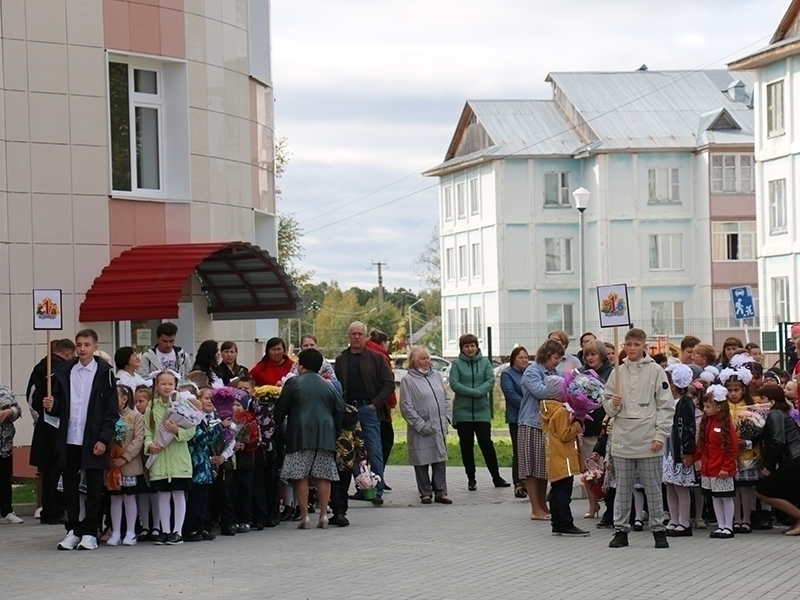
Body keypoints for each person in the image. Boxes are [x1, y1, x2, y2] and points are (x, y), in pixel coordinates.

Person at [43, 329, 119, 551]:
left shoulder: (104, 374)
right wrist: (52, 405)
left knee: (94, 486)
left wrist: (104, 438)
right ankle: (73, 529)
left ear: (95, 346)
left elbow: (111, 411)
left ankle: (90, 531)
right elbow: (59, 404)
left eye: (87, 344)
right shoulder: (66, 371)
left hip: (93, 438)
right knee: (69, 486)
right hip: (69, 437)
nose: (82, 348)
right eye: (79, 344)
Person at [604, 328, 673, 549]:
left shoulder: (656, 372)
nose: (631, 348)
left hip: (648, 437)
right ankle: (621, 530)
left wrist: (661, 435)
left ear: (644, 346)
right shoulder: (617, 372)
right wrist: (612, 405)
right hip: (623, 436)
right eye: (628, 344)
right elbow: (606, 405)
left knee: (653, 487)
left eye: (635, 344)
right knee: (623, 488)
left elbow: (666, 406)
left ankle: (658, 530)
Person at [274, 349, 345, 529]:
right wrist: (334, 430)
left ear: (301, 365)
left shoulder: (293, 382)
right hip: (325, 434)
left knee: (301, 475)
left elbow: (281, 409)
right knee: (323, 476)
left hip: (299, 434)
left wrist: (276, 424)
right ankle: (323, 516)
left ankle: (305, 516)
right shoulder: (328, 385)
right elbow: (340, 409)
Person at [334, 322, 395, 505]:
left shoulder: (376, 358)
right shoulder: (341, 359)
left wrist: (375, 404)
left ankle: (377, 488)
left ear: (365, 336)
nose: (357, 337)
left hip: (368, 409)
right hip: (348, 411)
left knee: (374, 450)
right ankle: (363, 487)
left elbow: (389, 383)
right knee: (352, 452)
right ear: (348, 336)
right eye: (353, 333)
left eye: (360, 334)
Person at [449, 333, 508, 491]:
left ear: (477, 346)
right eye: (466, 346)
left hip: (482, 411)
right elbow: (454, 383)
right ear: (462, 348)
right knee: (466, 446)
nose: (470, 349)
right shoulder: (456, 364)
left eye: (472, 346)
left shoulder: (485, 363)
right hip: (463, 413)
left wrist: (478, 391)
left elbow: (490, 380)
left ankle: (496, 477)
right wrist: (473, 391)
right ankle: (471, 479)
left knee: (486, 443)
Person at [144, 370, 197, 545]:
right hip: (159, 459)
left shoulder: (182, 403)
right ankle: (164, 530)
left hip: (178, 458)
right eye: (163, 384)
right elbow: (148, 432)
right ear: (156, 386)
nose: (167, 387)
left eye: (170, 384)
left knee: (178, 493)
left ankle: (177, 531)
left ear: (175, 385)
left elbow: (191, 430)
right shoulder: (151, 407)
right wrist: (150, 445)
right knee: (163, 495)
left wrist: (177, 431)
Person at [27, 337, 75, 525]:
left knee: (47, 470)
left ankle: (48, 508)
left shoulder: (41, 367)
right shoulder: (60, 370)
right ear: (67, 353)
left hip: (43, 424)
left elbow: (30, 395)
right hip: (56, 424)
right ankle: (54, 509)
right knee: (57, 468)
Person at [400, 346, 451, 505]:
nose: (427, 361)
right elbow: (406, 406)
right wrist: (421, 425)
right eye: (423, 358)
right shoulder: (408, 380)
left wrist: (447, 417)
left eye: (428, 358)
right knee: (421, 460)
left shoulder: (436, 375)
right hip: (421, 429)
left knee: (439, 459)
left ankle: (441, 492)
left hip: (438, 425)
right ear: (414, 362)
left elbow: (446, 398)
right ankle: (425, 493)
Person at [521, 340, 564, 520]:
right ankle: (535, 508)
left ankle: (543, 506)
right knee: (532, 467)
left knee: (544, 468)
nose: (557, 362)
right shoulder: (532, 371)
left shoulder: (554, 372)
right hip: (532, 423)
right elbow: (541, 392)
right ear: (546, 355)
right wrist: (563, 389)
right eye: (555, 357)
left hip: (548, 425)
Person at [540, 386, 590, 537]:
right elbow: (564, 435)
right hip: (564, 458)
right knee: (563, 493)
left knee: (556, 492)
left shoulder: (548, 410)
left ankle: (557, 524)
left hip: (555, 457)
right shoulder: (561, 411)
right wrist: (578, 423)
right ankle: (567, 524)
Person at [755, 384, 800, 536]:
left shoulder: (774, 414)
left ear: (772, 402)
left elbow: (778, 441)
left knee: (763, 490)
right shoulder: (781, 413)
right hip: (794, 458)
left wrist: (768, 466)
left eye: (762, 398)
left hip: (795, 458)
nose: (758, 402)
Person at [696, 384, 739, 539]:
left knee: (726, 497)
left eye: (708, 406)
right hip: (709, 468)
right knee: (715, 497)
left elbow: (732, 448)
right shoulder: (707, 423)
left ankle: (728, 526)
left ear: (719, 407)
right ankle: (721, 525)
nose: (705, 409)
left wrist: (726, 467)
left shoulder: (725, 424)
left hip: (721, 468)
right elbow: (702, 445)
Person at [721, 364, 758, 533]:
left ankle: (747, 519)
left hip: (746, 453)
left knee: (745, 488)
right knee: (733, 488)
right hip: (728, 453)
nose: (733, 393)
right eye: (730, 390)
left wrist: (747, 442)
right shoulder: (723, 407)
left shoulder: (751, 407)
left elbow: (758, 430)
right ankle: (735, 519)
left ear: (744, 389)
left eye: (737, 390)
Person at [106, 384, 144, 546]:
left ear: (124, 399)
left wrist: (125, 456)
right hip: (112, 464)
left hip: (129, 464)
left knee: (129, 497)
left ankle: (130, 531)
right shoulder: (108, 416)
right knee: (115, 498)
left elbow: (138, 439)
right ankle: (115, 531)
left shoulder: (136, 417)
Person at [662, 364, 697, 537]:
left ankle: (684, 522)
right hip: (667, 448)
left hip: (679, 449)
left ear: (673, 385)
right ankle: (673, 519)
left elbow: (689, 428)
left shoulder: (685, 403)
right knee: (670, 485)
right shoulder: (666, 402)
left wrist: (688, 450)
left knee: (681, 487)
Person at [183, 387, 222, 541]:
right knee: (195, 500)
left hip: (205, 467)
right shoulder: (192, 423)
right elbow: (202, 439)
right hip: (196, 466)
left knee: (204, 500)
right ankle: (189, 528)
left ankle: (201, 526)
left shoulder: (203, 421)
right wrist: (220, 426)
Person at [580, 340, 612, 519]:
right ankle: (593, 505)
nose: (590, 358)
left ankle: (608, 504)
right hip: (588, 426)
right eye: (587, 355)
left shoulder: (612, 372)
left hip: (605, 425)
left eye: (594, 354)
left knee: (606, 469)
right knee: (589, 469)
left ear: (602, 354)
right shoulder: (583, 375)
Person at [365, 329, 397, 490]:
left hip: (368, 405)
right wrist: (390, 402)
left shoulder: (366, 352)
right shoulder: (381, 356)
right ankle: (376, 478)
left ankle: (370, 479)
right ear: (383, 343)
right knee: (384, 441)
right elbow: (388, 383)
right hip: (380, 407)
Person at [500, 347, 529, 498]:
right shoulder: (507, 375)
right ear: (513, 359)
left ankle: (529, 482)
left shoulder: (530, 372)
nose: (524, 360)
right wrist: (529, 404)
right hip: (516, 417)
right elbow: (511, 394)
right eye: (521, 357)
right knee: (519, 451)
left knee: (531, 450)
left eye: (526, 357)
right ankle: (518, 483)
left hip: (532, 417)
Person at [0, 383, 23, 524]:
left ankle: (7, 511)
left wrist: (9, 413)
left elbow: (17, 409)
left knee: (4, 477)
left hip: (4, 444)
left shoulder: (4, 389)